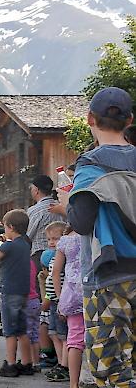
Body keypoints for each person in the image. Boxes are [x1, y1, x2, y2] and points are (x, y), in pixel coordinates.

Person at [63, 87, 136, 387]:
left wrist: (67, 202)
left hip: (107, 277)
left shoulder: (91, 164)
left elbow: (81, 222)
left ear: (90, 118)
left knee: (109, 366)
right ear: (130, 120)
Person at [0, 209, 33, 377]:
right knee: (21, 329)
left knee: (10, 331)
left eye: (5, 227)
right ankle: (27, 363)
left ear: (11, 227)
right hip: (23, 292)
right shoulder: (25, 244)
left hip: (9, 291)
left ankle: (11, 364)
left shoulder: (9, 245)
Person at [52, 226, 84, 388]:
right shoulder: (93, 233)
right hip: (95, 288)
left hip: (72, 294)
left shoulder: (65, 240)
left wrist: (59, 297)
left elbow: (56, 272)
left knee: (75, 339)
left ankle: (73, 383)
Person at [42, 221, 70, 382]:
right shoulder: (53, 258)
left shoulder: (62, 258)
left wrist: (56, 298)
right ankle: (60, 362)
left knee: (63, 335)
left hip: (59, 300)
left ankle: (64, 365)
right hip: (53, 300)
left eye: (56, 239)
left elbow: (57, 280)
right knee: (54, 334)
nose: (52, 242)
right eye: (49, 239)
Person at [27, 174, 65, 271]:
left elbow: (28, 235)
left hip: (40, 255)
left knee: (42, 284)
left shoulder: (34, 211)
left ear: (36, 190)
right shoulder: (62, 207)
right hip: (63, 253)